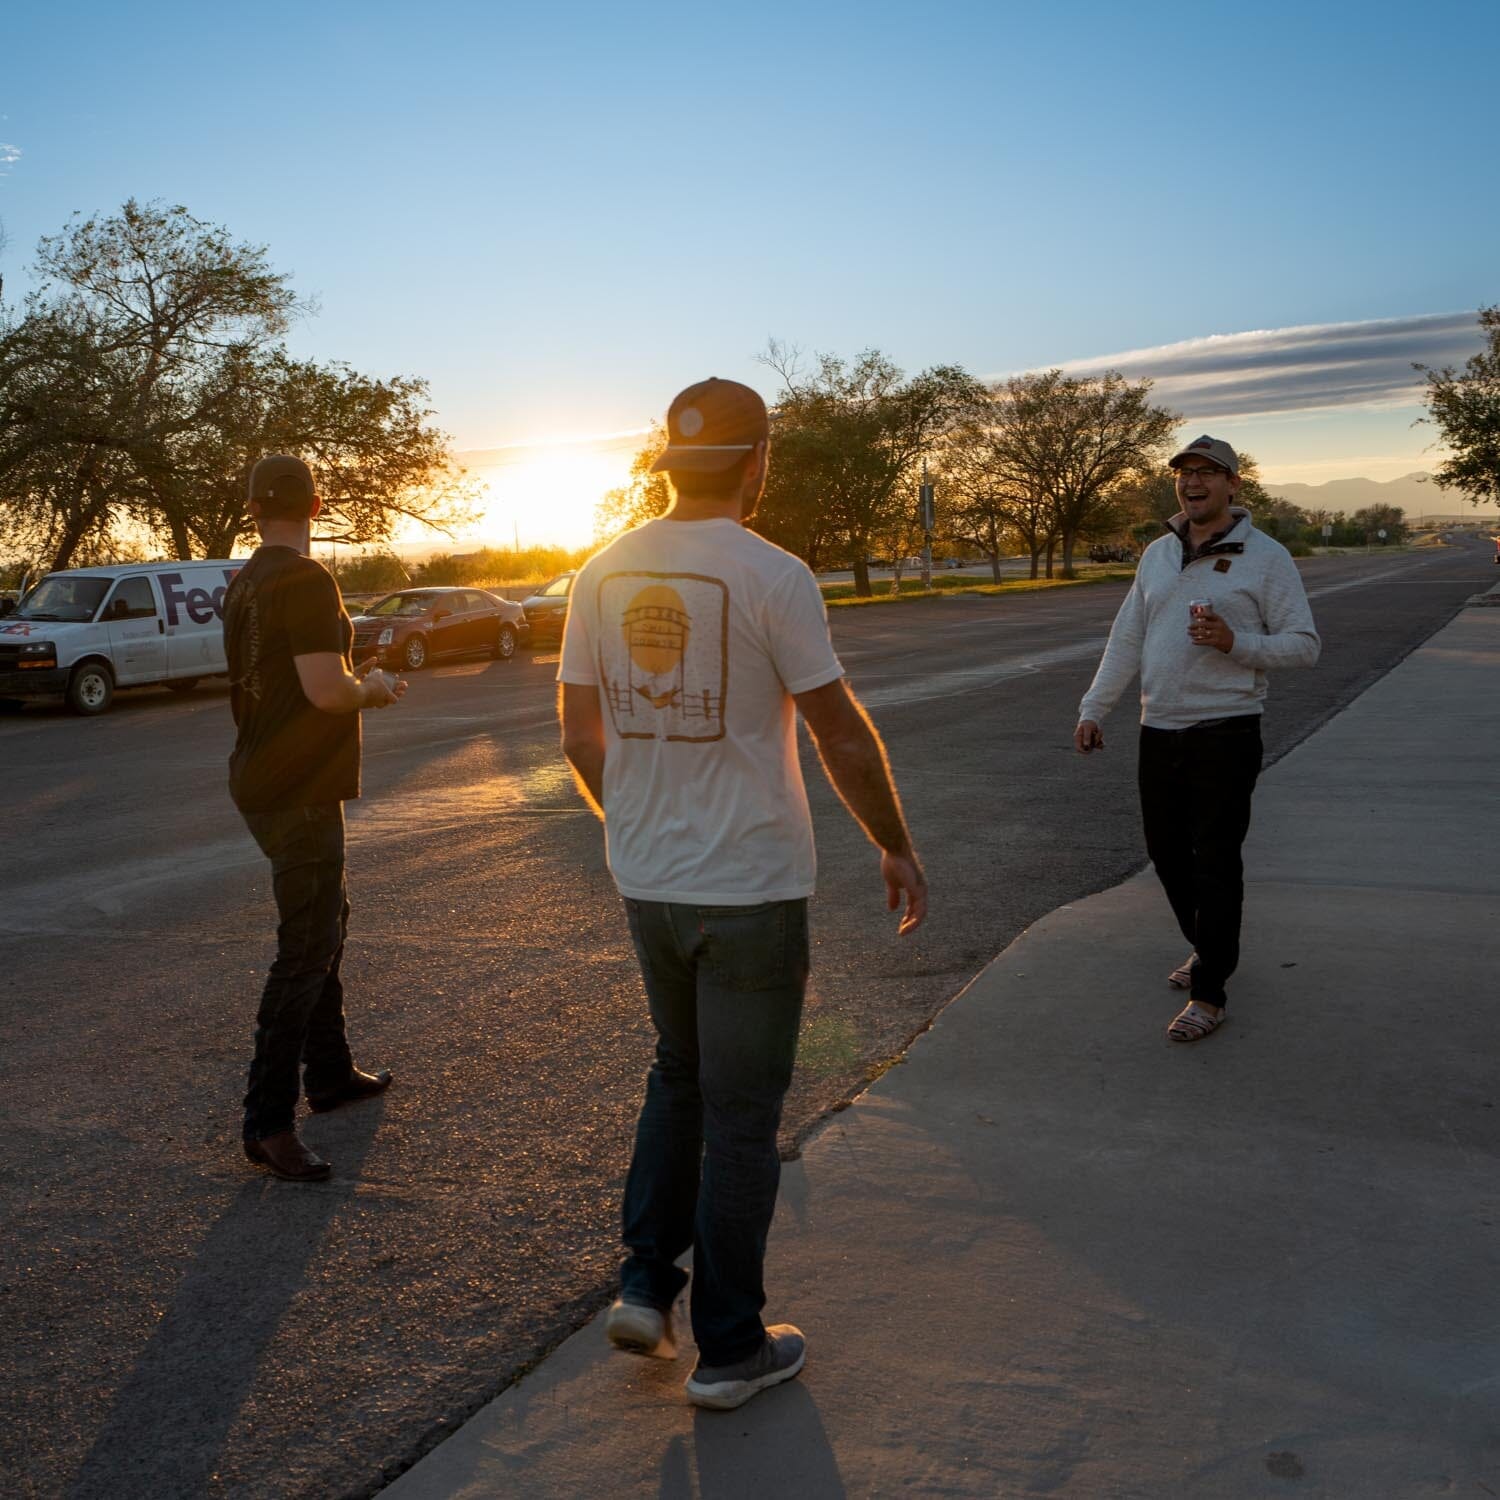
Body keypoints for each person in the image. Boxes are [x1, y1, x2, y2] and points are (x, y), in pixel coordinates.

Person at [559, 378, 927, 1410]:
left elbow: (578, 734)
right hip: (751, 890)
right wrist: (894, 844)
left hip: (648, 883)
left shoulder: (599, 572)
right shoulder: (775, 574)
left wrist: (637, 818)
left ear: (670, 464)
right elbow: (837, 729)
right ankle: (728, 1347)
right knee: (740, 1117)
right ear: (757, 460)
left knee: (678, 1073)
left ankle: (646, 1285)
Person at [1074, 434, 1319, 1042]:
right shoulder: (1158, 554)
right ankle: (1211, 947)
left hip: (1226, 731)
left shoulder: (1267, 557)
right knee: (1165, 855)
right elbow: (1127, 636)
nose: (1193, 481)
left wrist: (1236, 644)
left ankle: (1210, 993)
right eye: (1185, 472)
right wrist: (1094, 707)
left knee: (1215, 860)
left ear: (1234, 484)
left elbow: (1304, 646)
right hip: (1159, 728)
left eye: (1209, 472)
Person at [224, 455, 406, 1182]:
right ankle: (267, 1123)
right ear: (317, 505)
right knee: (305, 946)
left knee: (327, 919)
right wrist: (376, 687)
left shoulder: (244, 583)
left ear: (253, 509)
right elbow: (327, 690)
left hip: (265, 776)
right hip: (295, 787)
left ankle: (329, 1072)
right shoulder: (306, 579)